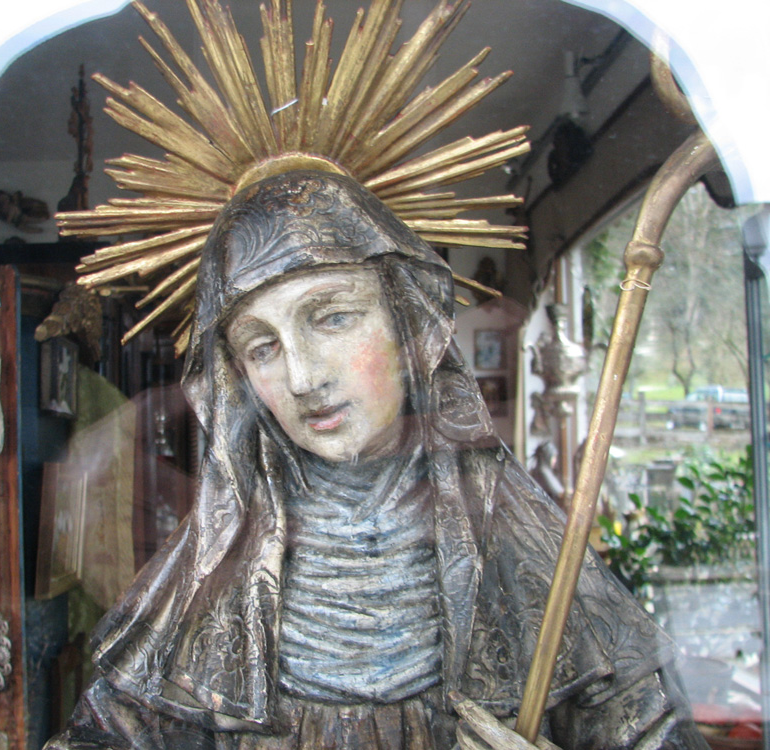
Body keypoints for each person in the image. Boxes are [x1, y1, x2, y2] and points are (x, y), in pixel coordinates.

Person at [46, 171, 708, 749]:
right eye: (262, 347)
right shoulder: (211, 574)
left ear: (408, 322)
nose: (303, 377)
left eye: (331, 317)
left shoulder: (518, 548)